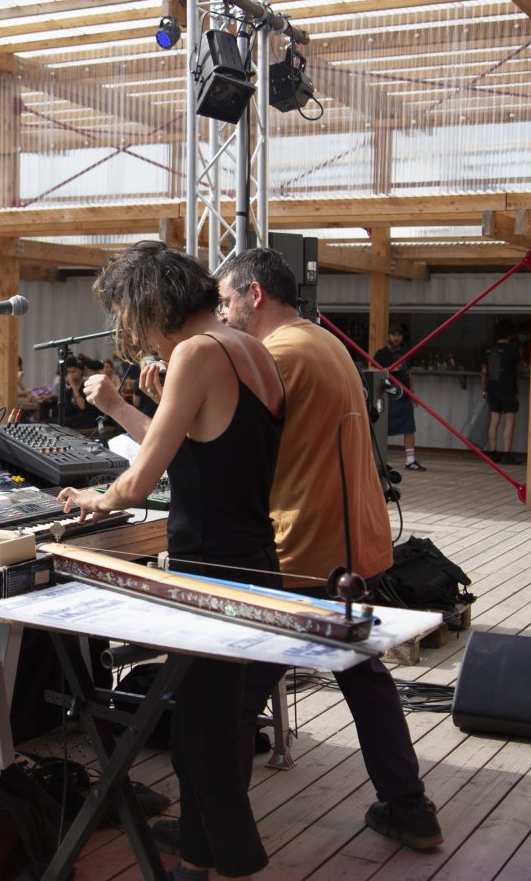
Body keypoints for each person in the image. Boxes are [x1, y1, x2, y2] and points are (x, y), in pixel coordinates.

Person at [59, 240, 284, 881]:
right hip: (251, 558)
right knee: (206, 732)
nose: (136, 339)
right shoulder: (250, 349)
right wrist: (128, 408)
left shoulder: (197, 352)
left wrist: (95, 498)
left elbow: (136, 483)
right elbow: (195, 453)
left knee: (205, 742)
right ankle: (196, 860)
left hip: (210, 568)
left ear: (154, 307)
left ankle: (234, 866)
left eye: (133, 322)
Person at [215, 247, 443, 851]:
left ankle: (215, 830)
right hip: (348, 545)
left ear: (254, 295)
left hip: (301, 549)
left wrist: (134, 406)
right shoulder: (325, 343)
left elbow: (223, 452)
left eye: (225, 302)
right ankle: (408, 806)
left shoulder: (275, 355)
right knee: (364, 677)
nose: (223, 315)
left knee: (239, 692)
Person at [373, 323, 425, 471]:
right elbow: (374, 371)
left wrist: (412, 393)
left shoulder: (406, 353)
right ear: (389, 336)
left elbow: (409, 374)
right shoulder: (381, 353)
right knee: (382, 429)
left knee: (409, 428)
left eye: (399, 335)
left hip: (404, 395)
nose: (396, 338)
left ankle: (410, 461)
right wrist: (388, 370)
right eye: (393, 335)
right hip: (388, 395)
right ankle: (381, 460)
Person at [480, 320, 523, 465]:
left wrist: (484, 389)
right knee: (509, 422)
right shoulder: (512, 350)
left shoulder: (488, 349)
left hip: (492, 389)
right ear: (509, 334)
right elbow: (520, 368)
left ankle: (493, 452)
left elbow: (484, 371)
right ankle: (506, 454)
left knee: (494, 421)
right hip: (508, 389)